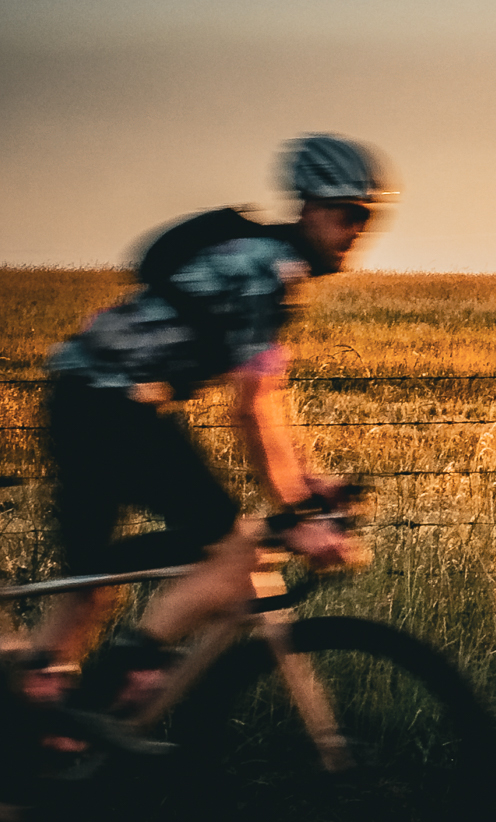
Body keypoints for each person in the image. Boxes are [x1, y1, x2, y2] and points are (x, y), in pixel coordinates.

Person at [7, 134, 393, 718]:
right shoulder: (267, 270)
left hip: (85, 398)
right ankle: (117, 677)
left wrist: (308, 482)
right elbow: (252, 405)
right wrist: (294, 514)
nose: (355, 231)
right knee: (236, 548)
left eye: (366, 220)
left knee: (86, 587)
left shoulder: (263, 261)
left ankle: (36, 736)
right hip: (113, 405)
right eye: (346, 215)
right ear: (309, 207)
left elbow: (269, 397)